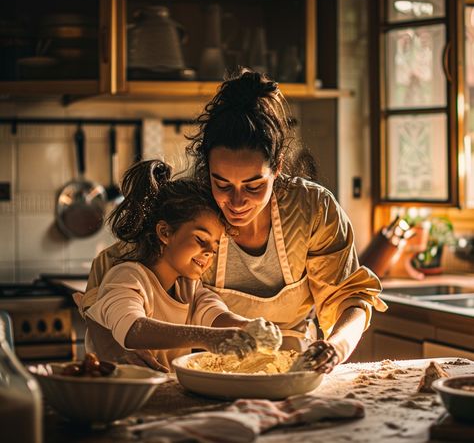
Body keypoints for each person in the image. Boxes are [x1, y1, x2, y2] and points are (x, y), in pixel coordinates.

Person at [87, 69, 387, 374]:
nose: (237, 202)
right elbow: (105, 287)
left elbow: (351, 296)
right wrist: (117, 352)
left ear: (277, 168)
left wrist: (336, 347)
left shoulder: (313, 209)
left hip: (292, 369)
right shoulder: (195, 210)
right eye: (222, 184)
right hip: (211, 373)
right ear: (207, 169)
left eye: (254, 186)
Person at [76, 160, 277, 372]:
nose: (209, 252)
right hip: (114, 398)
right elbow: (132, 329)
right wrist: (208, 338)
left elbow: (214, 313)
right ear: (165, 233)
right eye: (201, 240)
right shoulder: (128, 277)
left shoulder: (188, 287)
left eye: (215, 247)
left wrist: (249, 326)